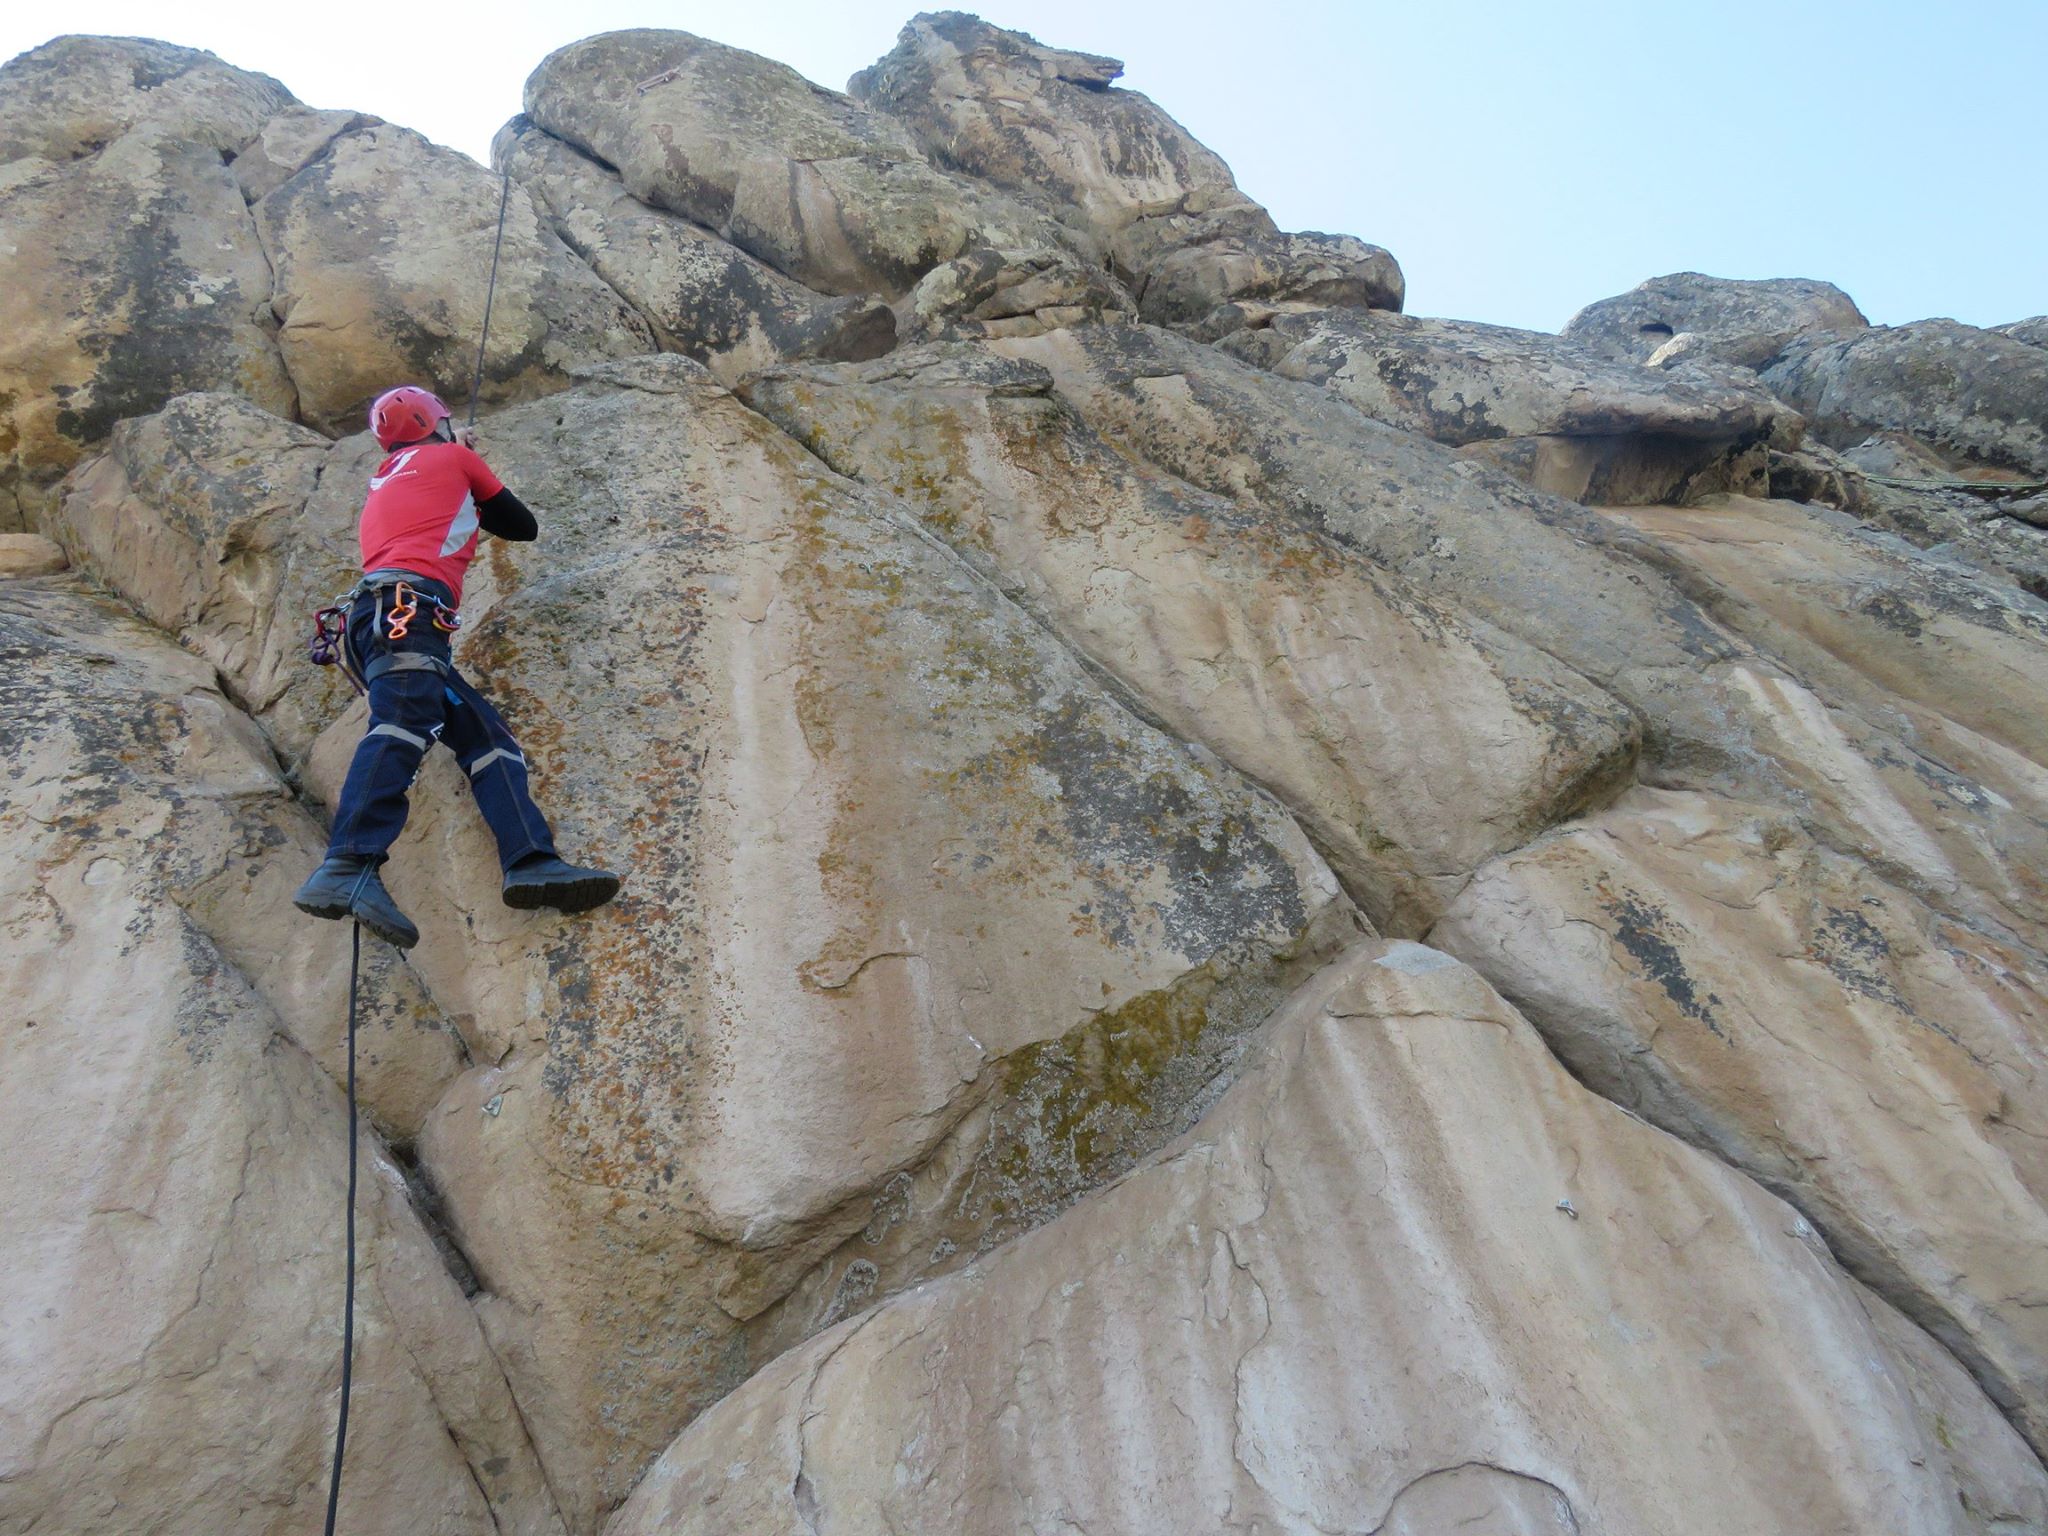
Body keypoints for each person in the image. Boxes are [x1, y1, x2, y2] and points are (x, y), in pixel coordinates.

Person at [294, 385, 620, 948]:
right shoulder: (451, 456)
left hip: (379, 619)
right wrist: (468, 457)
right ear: (434, 422)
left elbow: (436, 500)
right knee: (399, 728)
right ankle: (347, 865)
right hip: (408, 614)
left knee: (486, 738)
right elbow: (521, 525)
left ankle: (530, 859)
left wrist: (457, 465)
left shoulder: (386, 475)